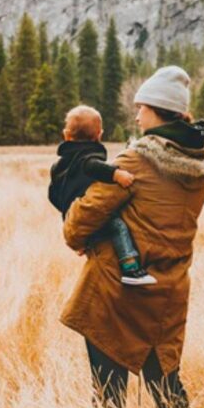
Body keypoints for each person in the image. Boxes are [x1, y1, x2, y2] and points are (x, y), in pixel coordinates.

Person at [59, 65, 204, 408]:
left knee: (108, 398)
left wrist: (80, 235)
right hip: (168, 293)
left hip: (117, 294)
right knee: (167, 388)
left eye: (141, 108)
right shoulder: (197, 165)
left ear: (158, 111)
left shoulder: (135, 162)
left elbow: (81, 221)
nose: (136, 116)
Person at [48, 104, 156, 285]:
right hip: (89, 211)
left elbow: (52, 195)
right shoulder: (87, 156)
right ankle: (131, 267)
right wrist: (116, 174)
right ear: (99, 135)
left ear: (66, 135)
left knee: (95, 237)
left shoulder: (58, 166)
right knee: (118, 226)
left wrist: (67, 209)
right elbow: (92, 166)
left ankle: (85, 243)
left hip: (71, 216)